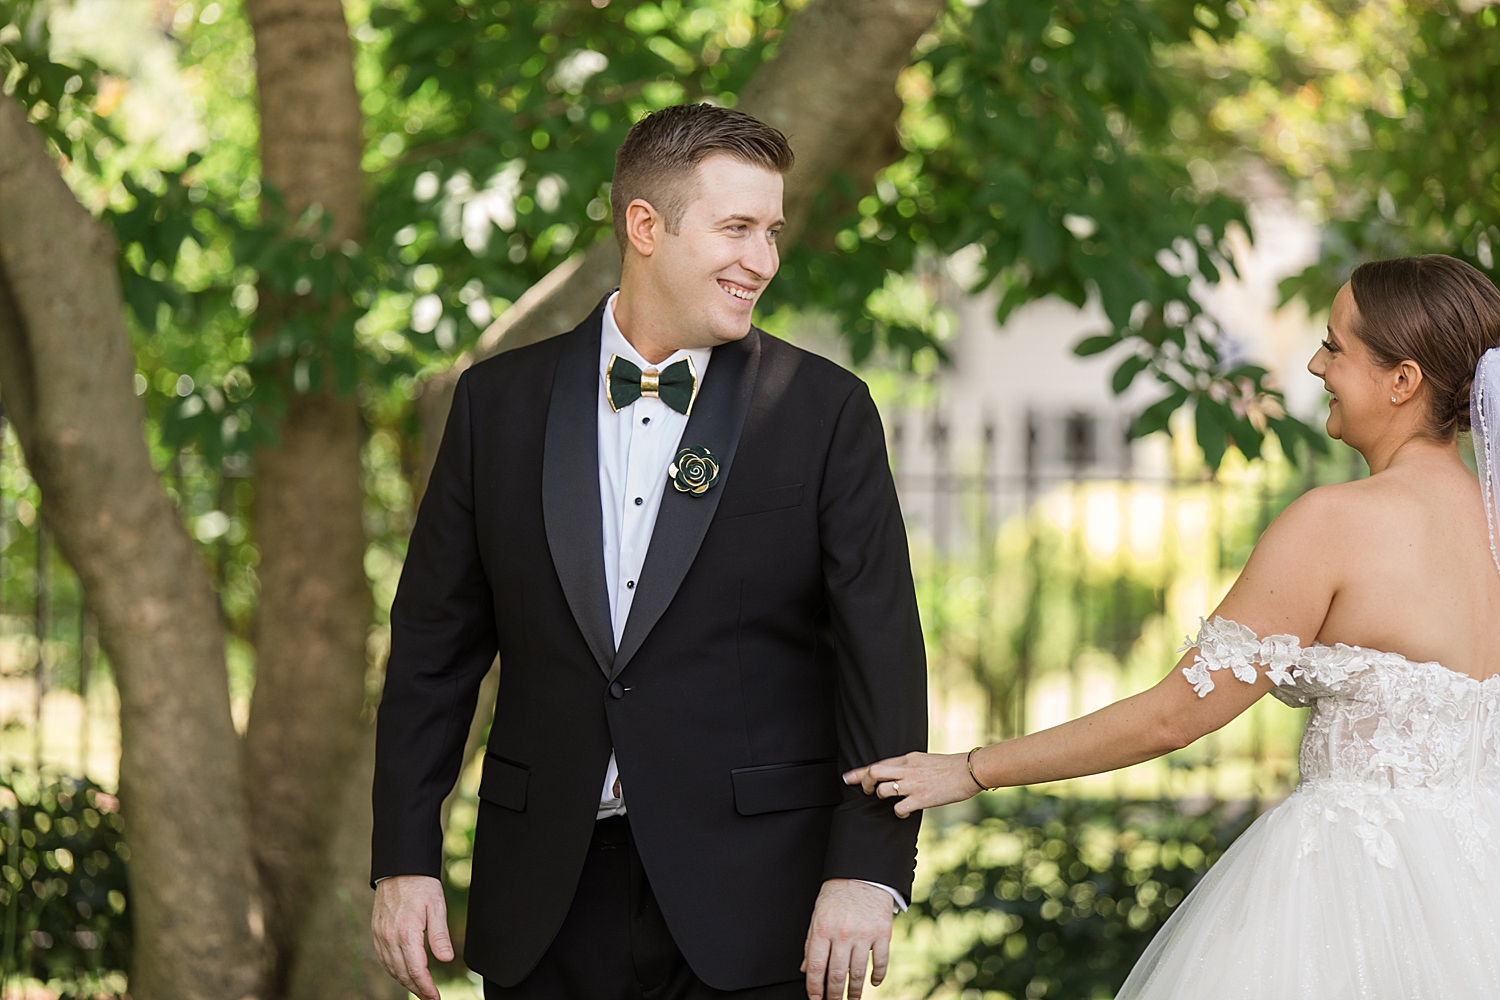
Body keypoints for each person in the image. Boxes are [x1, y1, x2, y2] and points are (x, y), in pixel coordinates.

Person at [369, 103, 928, 1000]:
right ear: (644, 226)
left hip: (760, 903)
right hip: (544, 895)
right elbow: (433, 650)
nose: (763, 260)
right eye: (737, 228)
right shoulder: (497, 406)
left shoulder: (824, 412)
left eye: (772, 231)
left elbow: (882, 660)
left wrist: (866, 869)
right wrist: (403, 857)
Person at [848, 254, 1500, 996]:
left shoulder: (1336, 523)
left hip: (1349, 891)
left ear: (1403, 380)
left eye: (1335, 345)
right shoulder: (1494, 527)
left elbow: (1171, 719)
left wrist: (969, 769)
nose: (1316, 364)